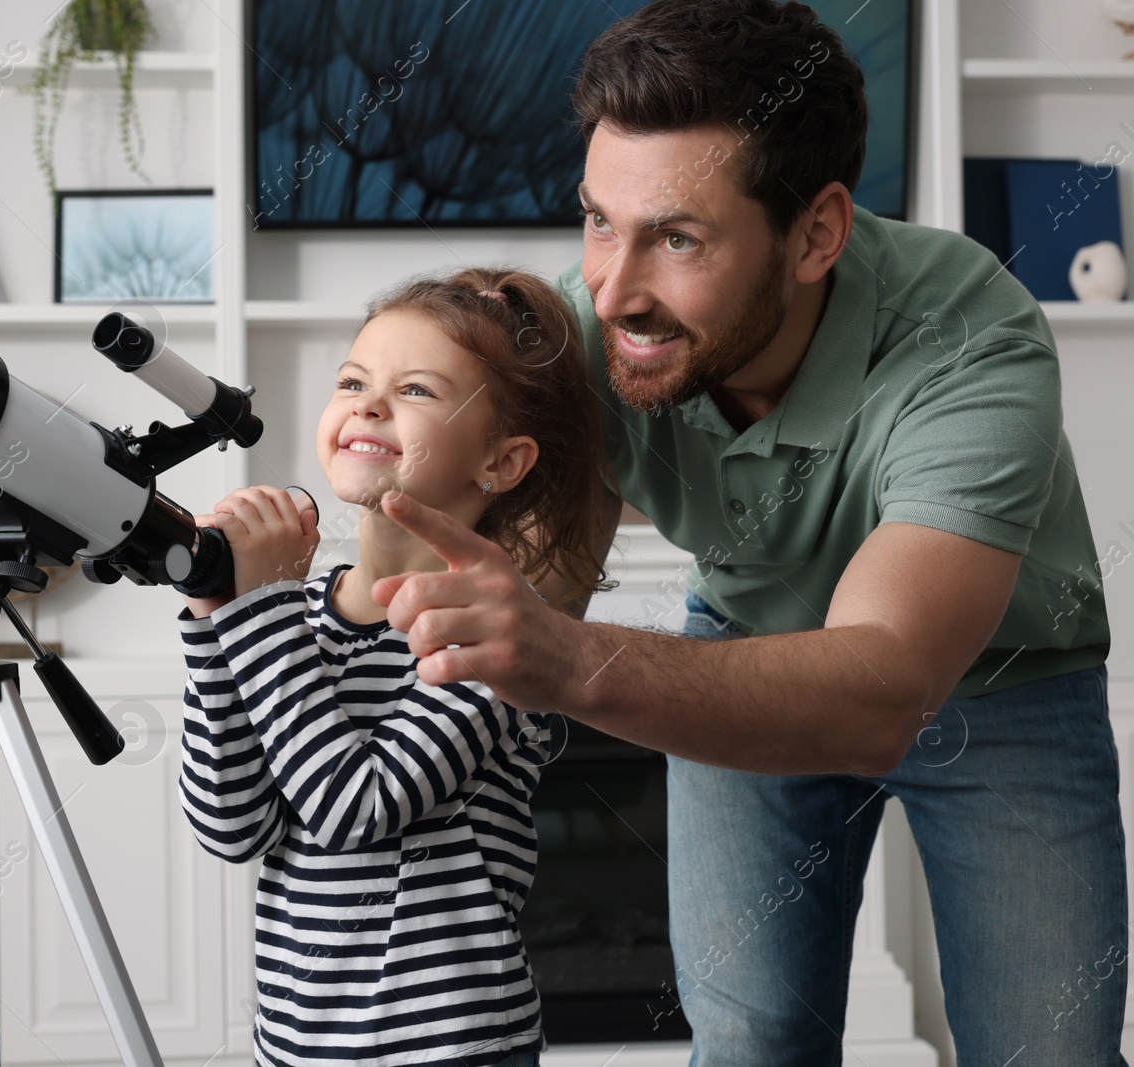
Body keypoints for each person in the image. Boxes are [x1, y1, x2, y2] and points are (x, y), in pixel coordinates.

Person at [366, 1, 1127, 1064]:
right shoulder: (598, 333)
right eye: (597, 220)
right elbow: (534, 584)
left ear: (816, 231)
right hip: (741, 632)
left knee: (1046, 1047)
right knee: (750, 1037)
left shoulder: (968, 338)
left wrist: (566, 658)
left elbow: (882, 689)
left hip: (997, 687)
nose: (613, 288)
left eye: (677, 238)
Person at [175, 268, 619, 1067]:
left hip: (451, 1046)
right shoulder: (294, 617)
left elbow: (355, 807)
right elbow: (232, 823)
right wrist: (217, 624)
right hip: (299, 1045)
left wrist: (260, 612)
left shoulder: (494, 628)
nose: (369, 404)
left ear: (502, 460)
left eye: (415, 389)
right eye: (353, 380)